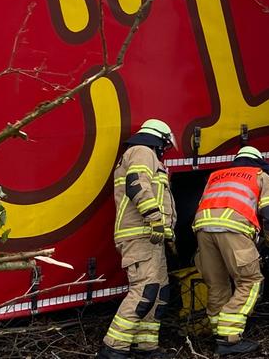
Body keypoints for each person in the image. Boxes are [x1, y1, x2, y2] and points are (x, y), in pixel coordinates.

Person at [192, 146, 269, 356]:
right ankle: (229, 338)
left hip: (203, 230)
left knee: (217, 283)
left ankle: (218, 332)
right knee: (250, 281)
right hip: (233, 230)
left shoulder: (216, 176)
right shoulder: (261, 176)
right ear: (259, 162)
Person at [99, 119, 177, 359]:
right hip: (140, 233)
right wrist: (154, 218)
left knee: (159, 292)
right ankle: (113, 348)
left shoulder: (144, 154)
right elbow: (136, 185)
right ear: (160, 140)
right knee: (144, 290)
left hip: (151, 237)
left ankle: (145, 346)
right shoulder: (142, 151)